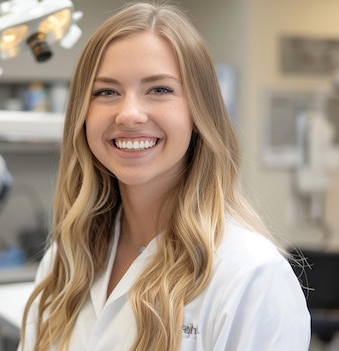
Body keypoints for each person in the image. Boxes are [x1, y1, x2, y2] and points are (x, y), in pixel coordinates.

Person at [19, 2, 311, 350]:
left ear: (199, 112)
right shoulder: (65, 262)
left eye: (159, 89)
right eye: (106, 92)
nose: (129, 114)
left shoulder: (251, 275)